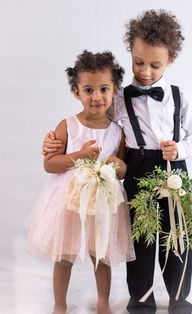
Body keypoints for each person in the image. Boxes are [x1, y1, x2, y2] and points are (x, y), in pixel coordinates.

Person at [42, 9, 192, 314]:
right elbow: (94, 120)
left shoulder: (180, 96)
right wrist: (54, 143)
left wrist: (180, 149)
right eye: (138, 62)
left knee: (178, 237)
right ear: (131, 53)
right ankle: (141, 302)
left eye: (155, 65)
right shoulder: (118, 97)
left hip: (174, 172)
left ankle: (179, 301)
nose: (145, 71)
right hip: (136, 168)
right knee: (141, 240)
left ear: (170, 60)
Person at [26, 50, 135, 314]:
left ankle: (103, 303)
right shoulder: (68, 126)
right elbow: (50, 164)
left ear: (114, 90)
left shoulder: (118, 131)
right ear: (77, 92)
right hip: (69, 202)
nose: (97, 97)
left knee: (102, 255)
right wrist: (78, 156)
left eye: (104, 89)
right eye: (88, 90)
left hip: (103, 203)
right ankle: (60, 304)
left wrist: (118, 165)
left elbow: (122, 169)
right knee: (64, 256)